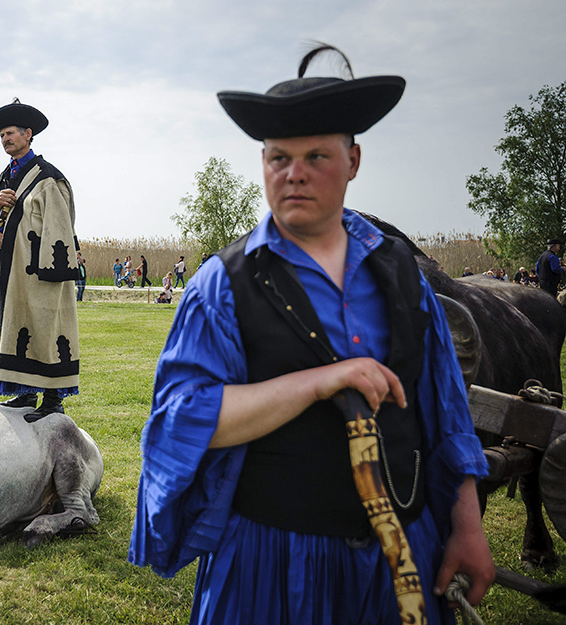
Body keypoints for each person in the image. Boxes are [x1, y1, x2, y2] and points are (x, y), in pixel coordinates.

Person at [129, 45, 493, 624]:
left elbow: (446, 411)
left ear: (353, 160)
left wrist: (468, 526)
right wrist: (322, 380)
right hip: (271, 567)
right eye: (278, 158)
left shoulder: (404, 274)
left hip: (400, 560)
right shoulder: (221, 286)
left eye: (315, 155)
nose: (293, 174)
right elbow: (182, 420)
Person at [0, 98, 80, 421]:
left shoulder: (49, 179)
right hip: (8, 274)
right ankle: (25, 394)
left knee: (44, 328)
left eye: (10, 133)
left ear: (28, 134)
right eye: (2, 135)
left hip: (38, 273)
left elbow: (58, 228)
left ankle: (52, 400)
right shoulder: (3, 179)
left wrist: (6, 240)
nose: (5, 139)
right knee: (15, 327)